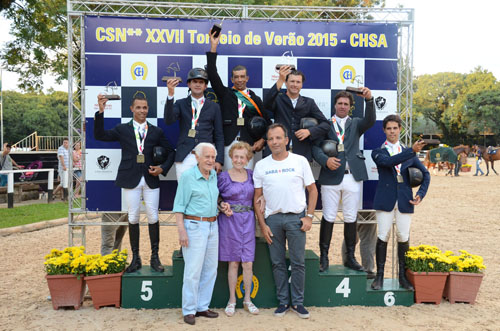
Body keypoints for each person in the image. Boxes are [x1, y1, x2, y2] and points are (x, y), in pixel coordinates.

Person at [94, 93, 175, 273]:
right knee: (133, 217)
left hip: (151, 179)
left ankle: (155, 257)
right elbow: (99, 135)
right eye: (138, 107)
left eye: (145, 108)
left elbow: (171, 152)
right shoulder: (122, 129)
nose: (142, 111)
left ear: (148, 109)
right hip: (130, 178)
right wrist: (101, 111)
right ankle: (135, 258)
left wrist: (162, 168)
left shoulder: (156, 131)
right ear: (132, 109)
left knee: (153, 217)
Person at [253, 123, 317, 319]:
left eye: (278, 138)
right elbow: (256, 199)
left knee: (298, 263)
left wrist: (309, 216)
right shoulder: (261, 165)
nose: (274, 142)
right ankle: (283, 302)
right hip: (272, 220)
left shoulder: (300, 161)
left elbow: (313, 190)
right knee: (277, 263)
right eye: (271, 138)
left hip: (297, 219)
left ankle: (297, 303)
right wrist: (262, 225)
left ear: (287, 140)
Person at [312, 89, 376, 273]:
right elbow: (315, 148)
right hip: (331, 176)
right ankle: (324, 258)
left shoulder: (356, 123)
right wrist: (325, 160)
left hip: (352, 176)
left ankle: (350, 257)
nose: (342, 106)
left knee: (350, 217)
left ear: (350, 107)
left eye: (346, 104)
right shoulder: (325, 124)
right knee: (329, 216)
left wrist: (369, 100)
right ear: (335, 105)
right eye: (340, 103)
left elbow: (370, 120)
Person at [370, 115, 430, 290]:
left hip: (405, 199)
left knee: (403, 237)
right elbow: (389, 162)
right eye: (389, 128)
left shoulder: (409, 153)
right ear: (384, 130)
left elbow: (426, 174)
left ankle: (402, 277)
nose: (392, 131)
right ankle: (379, 276)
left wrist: (420, 194)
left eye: (395, 128)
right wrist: (411, 151)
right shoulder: (378, 151)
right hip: (385, 199)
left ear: (400, 129)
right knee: (383, 235)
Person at [206, 29, 271, 170]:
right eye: (236, 77)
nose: (240, 80)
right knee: (229, 179)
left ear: (247, 78)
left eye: (242, 77)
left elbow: (268, 122)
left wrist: (262, 139)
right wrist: (213, 47)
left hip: (248, 144)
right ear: (232, 79)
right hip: (229, 143)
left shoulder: (254, 98)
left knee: (247, 180)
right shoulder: (225, 94)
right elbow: (212, 74)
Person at [173, 143, 220, 325]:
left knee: (210, 269)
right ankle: (189, 310)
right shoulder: (187, 176)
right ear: (197, 158)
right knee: (193, 270)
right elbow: (179, 206)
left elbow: (210, 199)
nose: (210, 160)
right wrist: (181, 231)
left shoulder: (214, 175)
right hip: (193, 226)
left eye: (213, 157)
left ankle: (202, 306)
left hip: (212, 226)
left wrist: (220, 206)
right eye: (206, 157)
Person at [217, 142, 259, 317]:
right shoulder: (223, 176)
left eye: (242, 157)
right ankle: (232, 300)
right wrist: (221, 205)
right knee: (233, 262)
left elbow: (259, 193)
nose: (239, 160)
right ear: (231, 157)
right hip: (229, 221)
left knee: (248, 262)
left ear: (248, 159)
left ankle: (248, 300)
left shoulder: (252, 176)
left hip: (248, 221)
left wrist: (262, 198)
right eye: (236, 156)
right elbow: (216, 197)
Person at [164, 67, 224, 179]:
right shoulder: (180, 103)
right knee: (184, 192)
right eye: (194, 82)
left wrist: (219, 160)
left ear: (205, 86)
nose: (198, 85)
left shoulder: (214, 107)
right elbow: (168, 120)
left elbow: (219, 135)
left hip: (207, 157)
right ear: (189, 84)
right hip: (185, 156)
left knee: (205, 192)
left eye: (201, 82)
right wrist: (170, 94)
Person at [263, 66, 329, 161]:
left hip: (301, 153)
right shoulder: (278, 99)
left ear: (302, 85)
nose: (295, 85)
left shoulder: (309, 102)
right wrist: (280, 80)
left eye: (298, 82)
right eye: (292, 81)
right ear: (286, 83)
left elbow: (326, 124)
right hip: (277, 151)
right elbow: (266, 103)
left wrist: (309, 131)